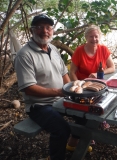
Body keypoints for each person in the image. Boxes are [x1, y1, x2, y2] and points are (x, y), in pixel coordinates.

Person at [14, 14, 71, 160]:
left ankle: (75, 144)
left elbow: (64, 74)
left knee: (88, 113)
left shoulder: (53, 48)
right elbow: (28, 88)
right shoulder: (24, 54)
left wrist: (71, 90)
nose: (45, 30)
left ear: (52, 30)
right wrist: (59, 92)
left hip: (60, 99)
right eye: (40, 27)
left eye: (48, 27)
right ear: (32, 30)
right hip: (39, 106)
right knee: (61, 129)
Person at [67, 25, 115, 150]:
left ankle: (97, 123)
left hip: (99, 84)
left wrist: (100, 72)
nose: (94, 39)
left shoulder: (103, 49)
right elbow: (72, 72)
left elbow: (112, 67)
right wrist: (77, 84)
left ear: (99, 37)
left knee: (107, 100)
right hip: (83, 86)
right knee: (83, 109)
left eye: (96, 36)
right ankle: (85, 134)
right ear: (86, 37)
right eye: (91, 36)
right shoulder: (79, 51)